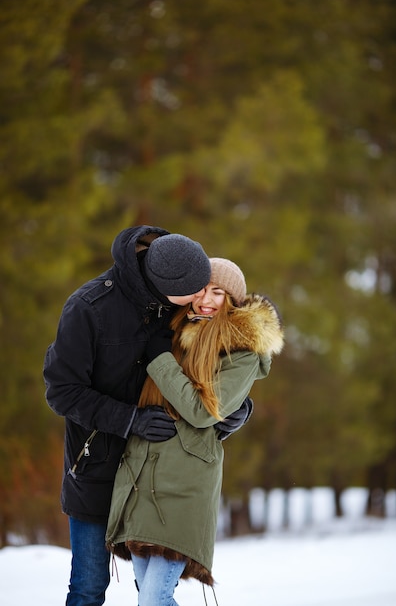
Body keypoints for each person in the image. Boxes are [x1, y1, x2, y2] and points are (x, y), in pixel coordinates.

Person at [43, 226, 252, 606]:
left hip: (157, 468)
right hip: (99, 464)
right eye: (196, 291)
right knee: (88, 585)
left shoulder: (178, 300)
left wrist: (240, 407)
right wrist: (129, 420)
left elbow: (211, 371)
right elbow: (62, 391)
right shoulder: (88, 308)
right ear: (164, 285)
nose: (201, 299)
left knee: (152, 592)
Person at [106, 257, 284, 606]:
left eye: (217, 292)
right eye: (202, 289)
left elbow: (203, 412)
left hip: (185, 484)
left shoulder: (242, 351)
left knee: (154, 599)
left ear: (231, 299)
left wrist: (159, 359)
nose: (206, 298)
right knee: (149, 595)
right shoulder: (169, 333)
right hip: (143, 477)